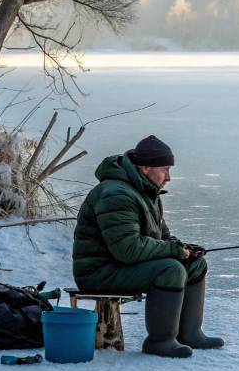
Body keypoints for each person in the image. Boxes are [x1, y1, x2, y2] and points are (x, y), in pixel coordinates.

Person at [72, 135, 224, 358]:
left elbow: (163, 239)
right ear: (144, 168)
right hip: (99, 272)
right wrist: (172, 252)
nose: (169, 177)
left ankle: (190, 334)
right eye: (164, 169)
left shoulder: (146, 193)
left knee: (195, 264)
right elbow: (128, 249)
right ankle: (160, 341)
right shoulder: (116, 195)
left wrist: (184, 249)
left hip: (122, 267)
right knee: (170, 270)